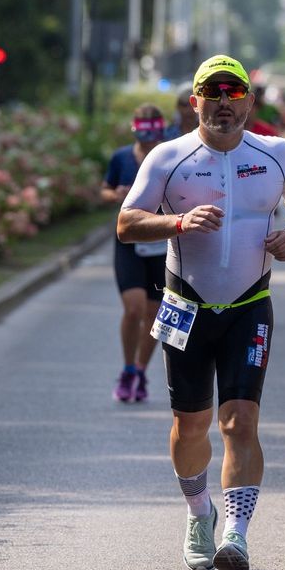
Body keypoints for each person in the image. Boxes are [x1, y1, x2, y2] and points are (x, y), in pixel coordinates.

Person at [117, 54, 285, 570]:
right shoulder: (167, 158)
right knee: (190, 427)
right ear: (194, 102)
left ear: (250, 102)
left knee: (240, 421)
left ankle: (235, 534)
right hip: (185, 305)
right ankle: (198, 512)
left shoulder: (276, 154)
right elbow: (126, 224)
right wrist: (179, 221)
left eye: (234, 93)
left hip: (250, 305)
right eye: (213, 92)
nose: (223, 103)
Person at [102, 104, 169, 403]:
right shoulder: (121, 158)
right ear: (135, 129)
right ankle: (128, 368)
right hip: (129, 244)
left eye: (153, 131)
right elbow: (104, 189)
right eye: (143, 131)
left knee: (155, 314)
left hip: (160, 244)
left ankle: (140, 371)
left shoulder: (169, 157)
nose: (148, 138)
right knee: (134, 308)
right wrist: (114, 194)